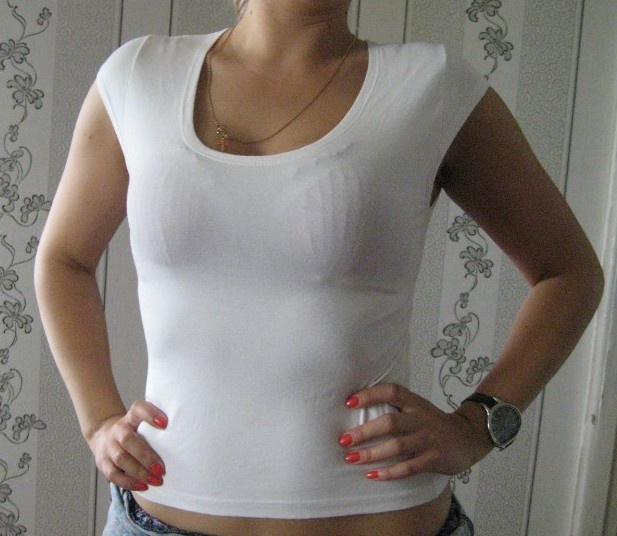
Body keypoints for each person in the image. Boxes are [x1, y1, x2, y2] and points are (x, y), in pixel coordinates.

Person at [34, 1, 604, 535]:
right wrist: (98, 421)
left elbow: (569, 273)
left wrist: (478, 426)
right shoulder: (137, 76)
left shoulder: (430, 86)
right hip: (157, 518)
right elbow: (64, 260)